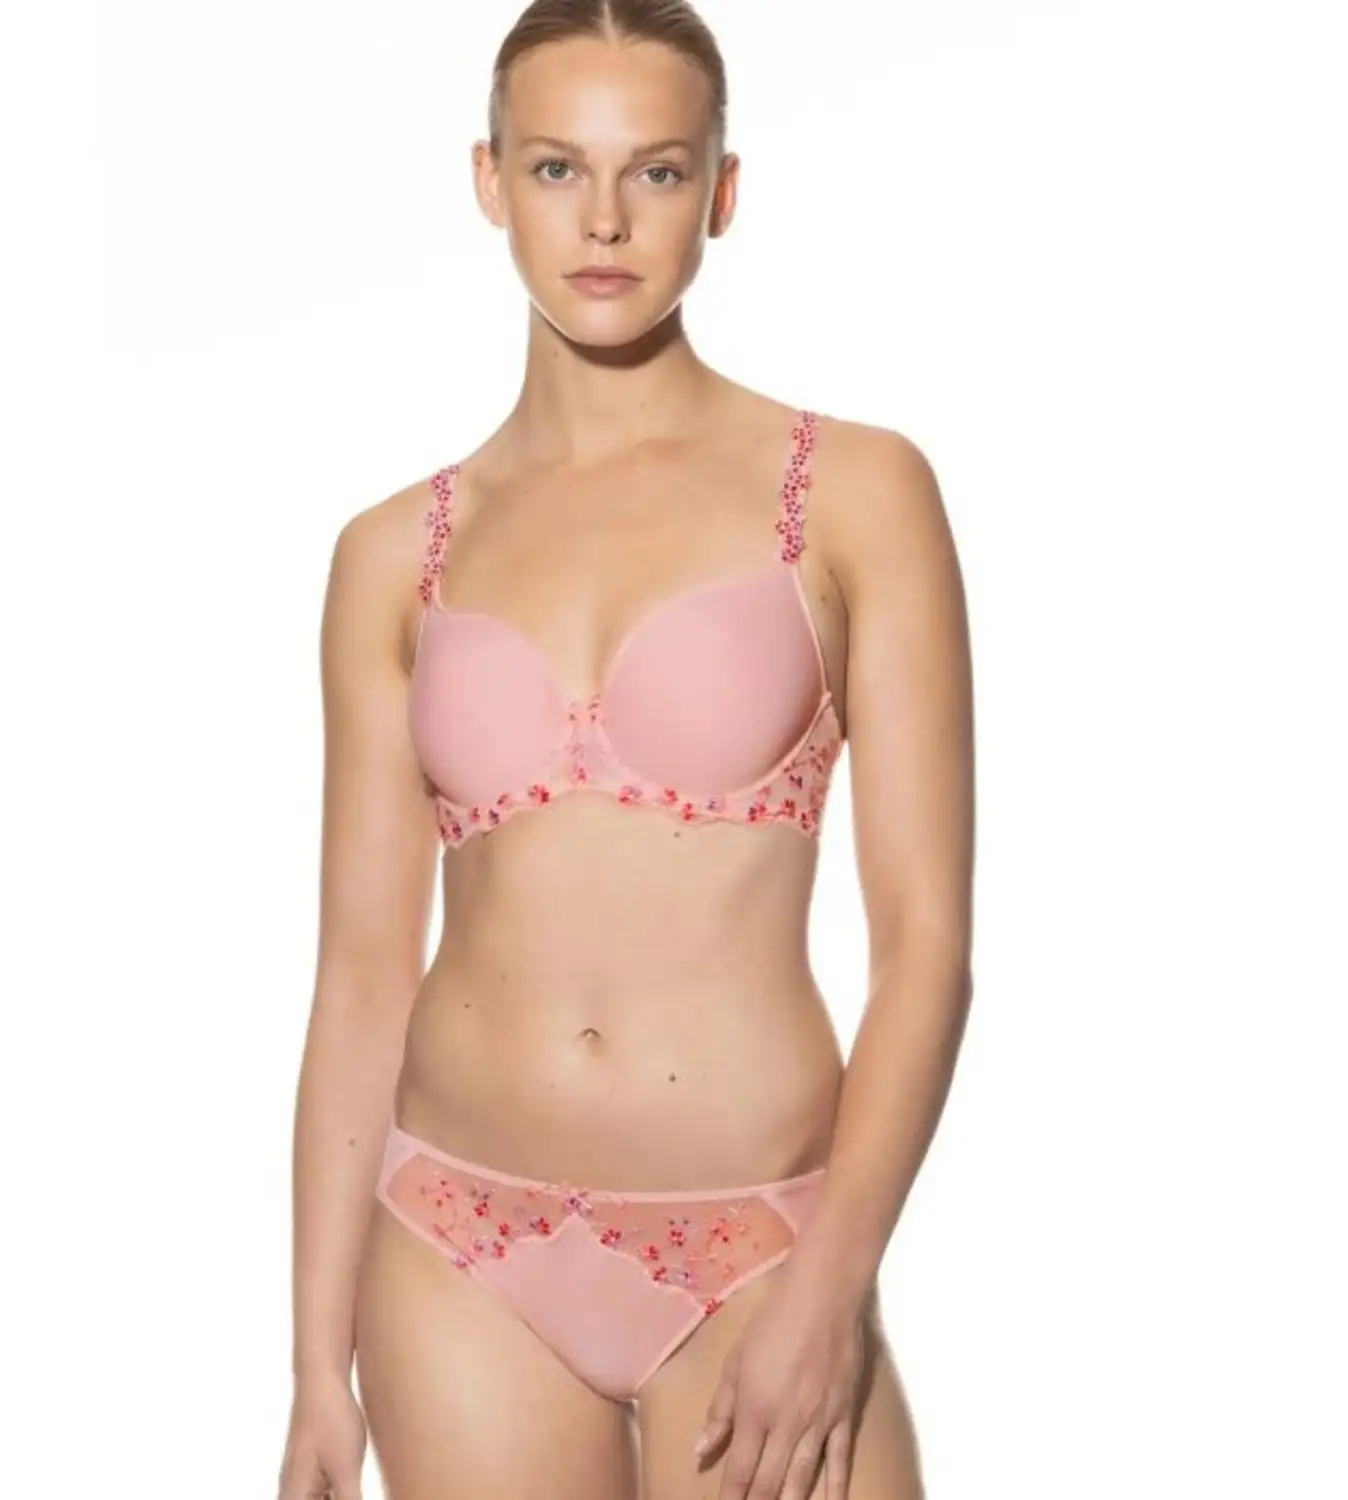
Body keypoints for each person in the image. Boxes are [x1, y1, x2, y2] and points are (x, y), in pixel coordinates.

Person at [277, 2, 974, 1497]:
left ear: (721, 191)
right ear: (489, 182)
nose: (604, 219)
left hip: (761, 1251)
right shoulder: (393, 554)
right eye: (556, 168)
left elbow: (926, 950)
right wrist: (315, 1370)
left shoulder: (852, 493)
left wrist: (833, 1283)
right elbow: (359, 977)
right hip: (456, 1253)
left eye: (655, 171)